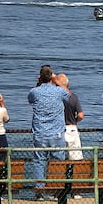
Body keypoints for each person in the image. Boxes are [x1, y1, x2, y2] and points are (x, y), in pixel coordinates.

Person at [26, 65, 68, 195]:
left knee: (39, 162)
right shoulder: (59, 91)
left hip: (40, 133)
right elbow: (69, 95)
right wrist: (57, 81)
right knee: (57, 163)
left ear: (40, 77)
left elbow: (31, 99)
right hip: (57, 133)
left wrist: (39, 83)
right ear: (51, 77)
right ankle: (57, 191)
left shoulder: (34, 91)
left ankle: (39, 191)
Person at [54, 73, 84, 158]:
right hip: (71, 128)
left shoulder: (54, 98)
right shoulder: (73, 97)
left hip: (57, 128)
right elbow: (81, 115)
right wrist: (75, 120)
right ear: (68, 84)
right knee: (75, 157)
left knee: (57, 159)